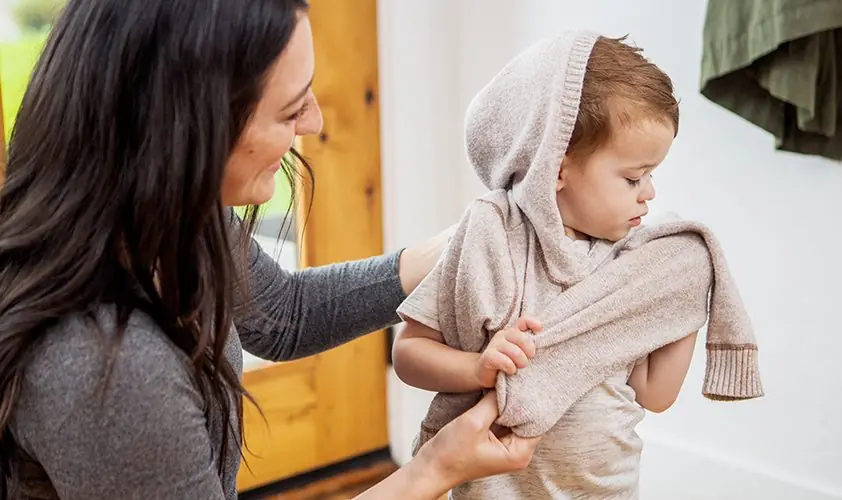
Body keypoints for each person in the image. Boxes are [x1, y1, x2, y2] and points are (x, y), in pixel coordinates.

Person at [0, 1, 541, 499]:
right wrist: (432, 469)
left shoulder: (168, 212)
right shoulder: (111, 371)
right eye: (290, 110)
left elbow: (282, 314)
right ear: (192, 126)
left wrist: (461, 245)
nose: (315, 123)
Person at [393, 32, 701, 498]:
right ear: (554, 166)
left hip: (606, 489)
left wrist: (683, 296)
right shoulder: (491, 238)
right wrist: (480, 367)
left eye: (652, 175)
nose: (650, 193)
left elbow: (652, 393)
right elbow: (409, 355)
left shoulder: (632, 262)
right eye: (634, 177)